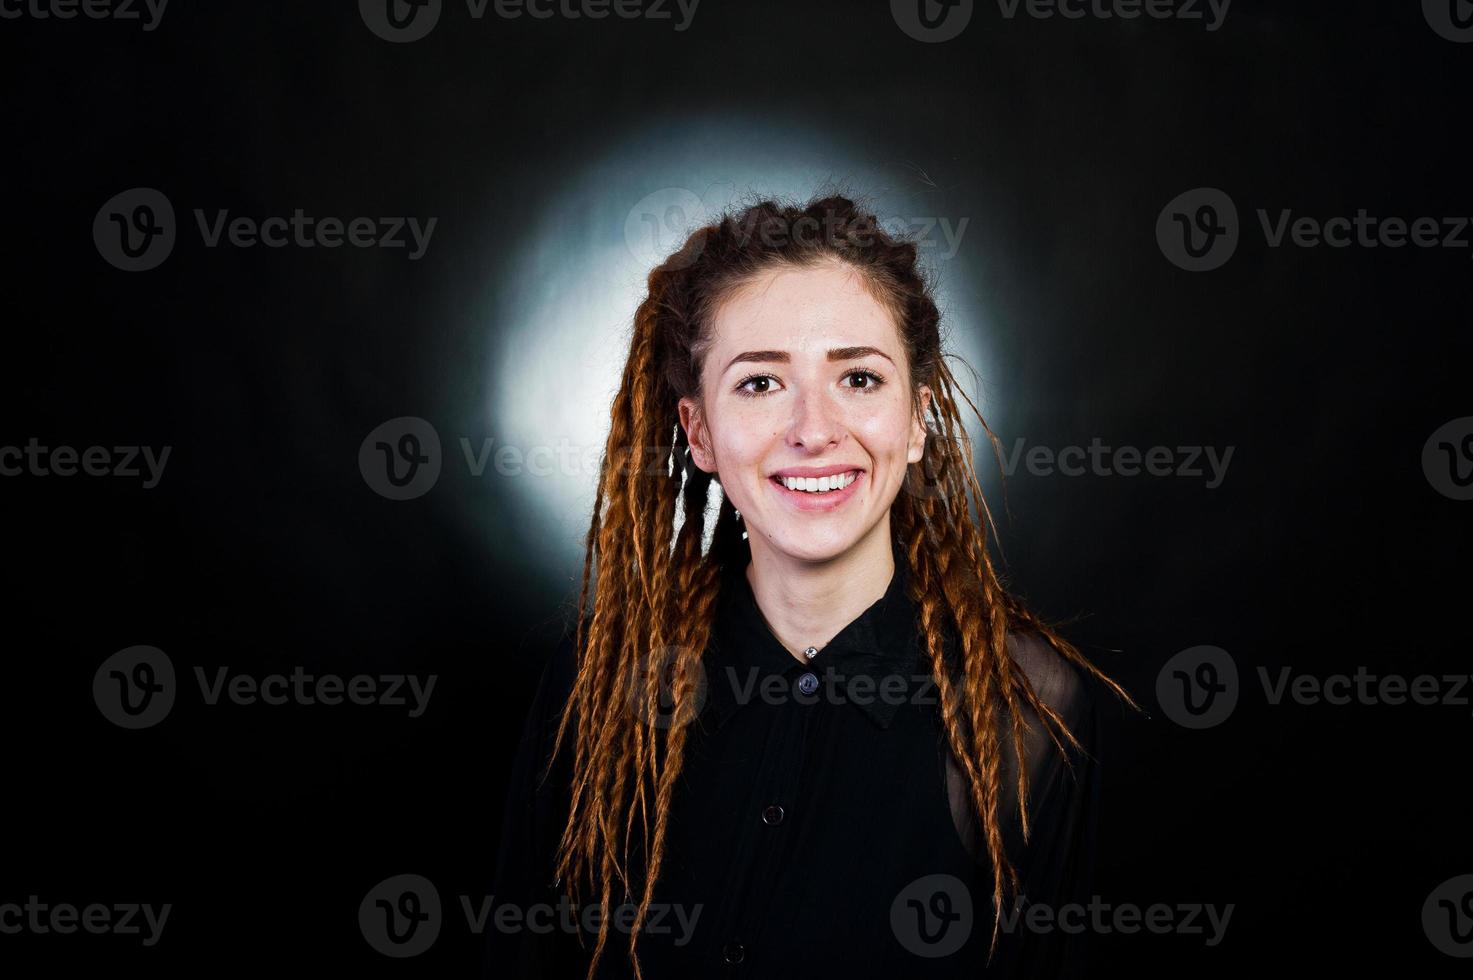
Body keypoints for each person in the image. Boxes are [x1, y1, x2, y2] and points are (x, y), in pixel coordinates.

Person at [484, 194, 1140, 978]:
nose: (814, 429)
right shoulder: (597, 682)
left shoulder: (1024, 708)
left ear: (917, 417)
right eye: (760, 384)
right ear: (698, 432)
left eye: (858, 377)